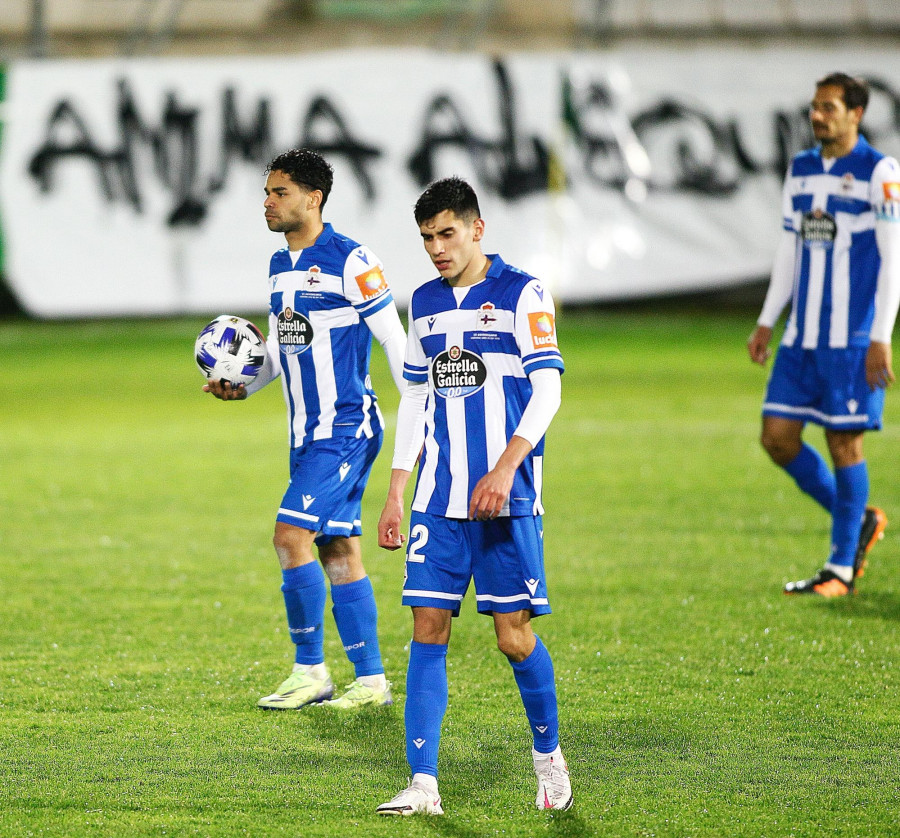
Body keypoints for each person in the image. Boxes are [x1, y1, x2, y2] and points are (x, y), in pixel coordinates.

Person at [374, 177, 571, 816]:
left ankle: (549, 760)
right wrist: (397, 490)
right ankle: (423, 784)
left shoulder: (523, 293)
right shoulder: (425, 301)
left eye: (447, 233)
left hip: (503, 500)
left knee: (513, 638)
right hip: (437, 497)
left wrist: (507, 467)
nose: (436, 248)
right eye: (427, 237)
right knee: (426, 628)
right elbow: (415, 399)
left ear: (477, 228)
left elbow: (548, 391)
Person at [204, 148, 406, 707]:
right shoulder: (279, 265)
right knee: (338, 549)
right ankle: (371, 682)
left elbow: (392, 336)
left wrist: (419, 398)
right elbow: (278, 351)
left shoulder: (350, 258)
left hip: (347, 427)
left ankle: (310, 670)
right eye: (266, 193)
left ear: (313, 199)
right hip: (304, 433)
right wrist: (242, 385)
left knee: (290, 535)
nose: (267, 203)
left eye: (279, 192)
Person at [748, 73, 900, 596]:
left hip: (852, 339)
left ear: (856, 114)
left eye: (829, 108)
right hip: (802, 336)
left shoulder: (879, 172)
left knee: (844, 442)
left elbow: (892, 260)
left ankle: (840, 569)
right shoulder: (802, 169)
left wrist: (880, 334)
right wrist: (769, 318)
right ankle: (858, 520)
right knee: (777, 437)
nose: (818, 116)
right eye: (814, 107)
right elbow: (789, 250)